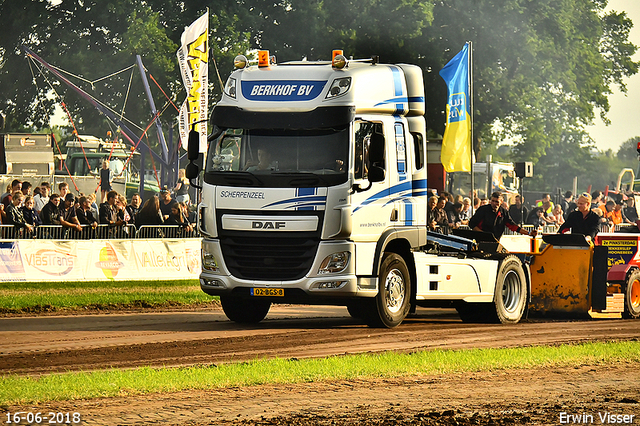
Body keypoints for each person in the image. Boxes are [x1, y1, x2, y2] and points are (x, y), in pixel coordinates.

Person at [468, 191, 537, 240]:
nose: (494, 203)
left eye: (496, 202)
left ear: (501, 202)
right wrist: (483, 234)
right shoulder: (483, 210)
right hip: (482, 240)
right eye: (492, 201)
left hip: (496, 240)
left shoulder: (503, 212)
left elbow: (512, 226)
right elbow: (471, 224)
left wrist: (528, 233)